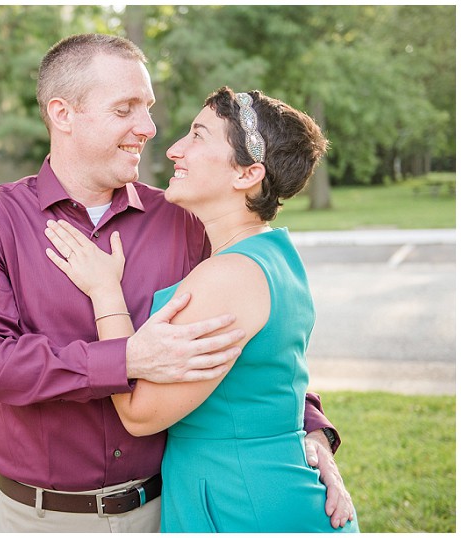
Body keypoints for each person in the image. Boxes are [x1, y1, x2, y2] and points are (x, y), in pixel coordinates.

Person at [0, 33, 353, 533]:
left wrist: (310, 430)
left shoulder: (183, 217)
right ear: (62, 114)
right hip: (35, 518)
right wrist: (125, 359)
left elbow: (251, 338)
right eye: (125, 109)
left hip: (165, 512)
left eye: (149, 107)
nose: (150, 127)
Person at [43, 86, 359, 532]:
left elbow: (140, 415)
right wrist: (316, 436)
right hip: (261, 485)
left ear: (247, 174)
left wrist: (104, 292)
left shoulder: (229, 276)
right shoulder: (273, 254)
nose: (174, 149)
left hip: (242, 502)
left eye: (198, 135)